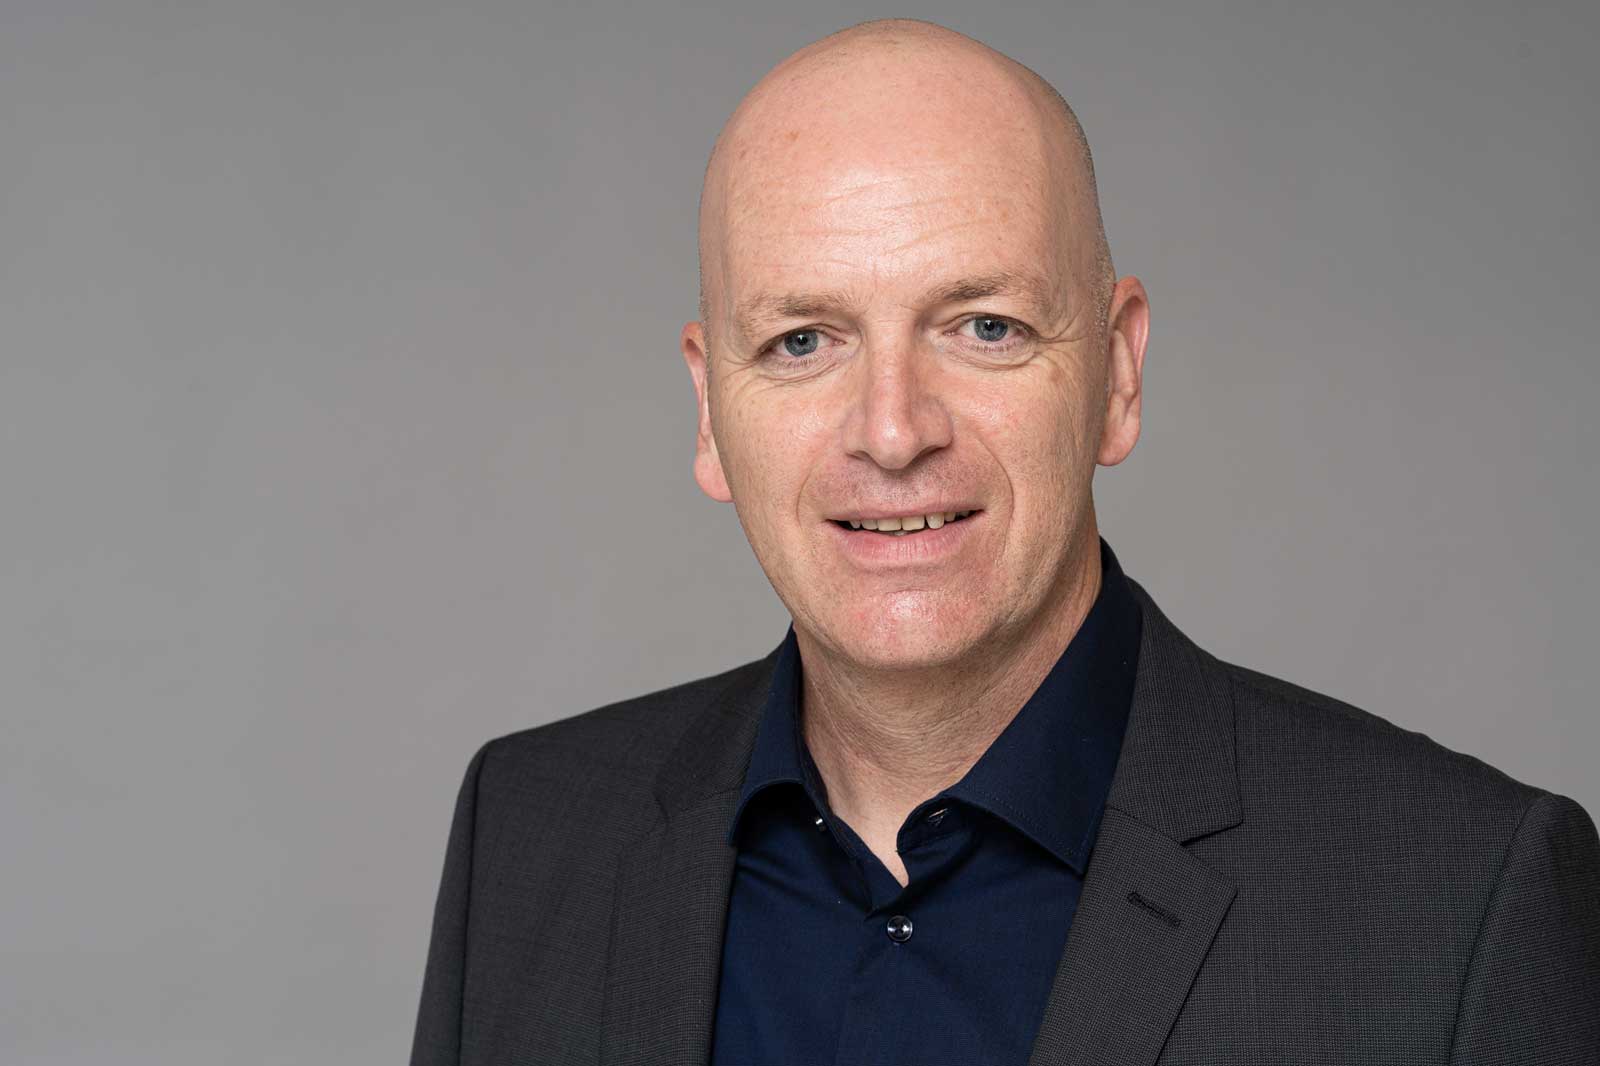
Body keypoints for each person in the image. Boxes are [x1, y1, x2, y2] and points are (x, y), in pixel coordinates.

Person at [409, 18, 1599, 1066]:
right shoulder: (532, 833)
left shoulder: (1457, 908)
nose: (891, 432)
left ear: (1118, 375)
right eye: (803, 342)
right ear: (710, 407)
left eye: (984, 325)